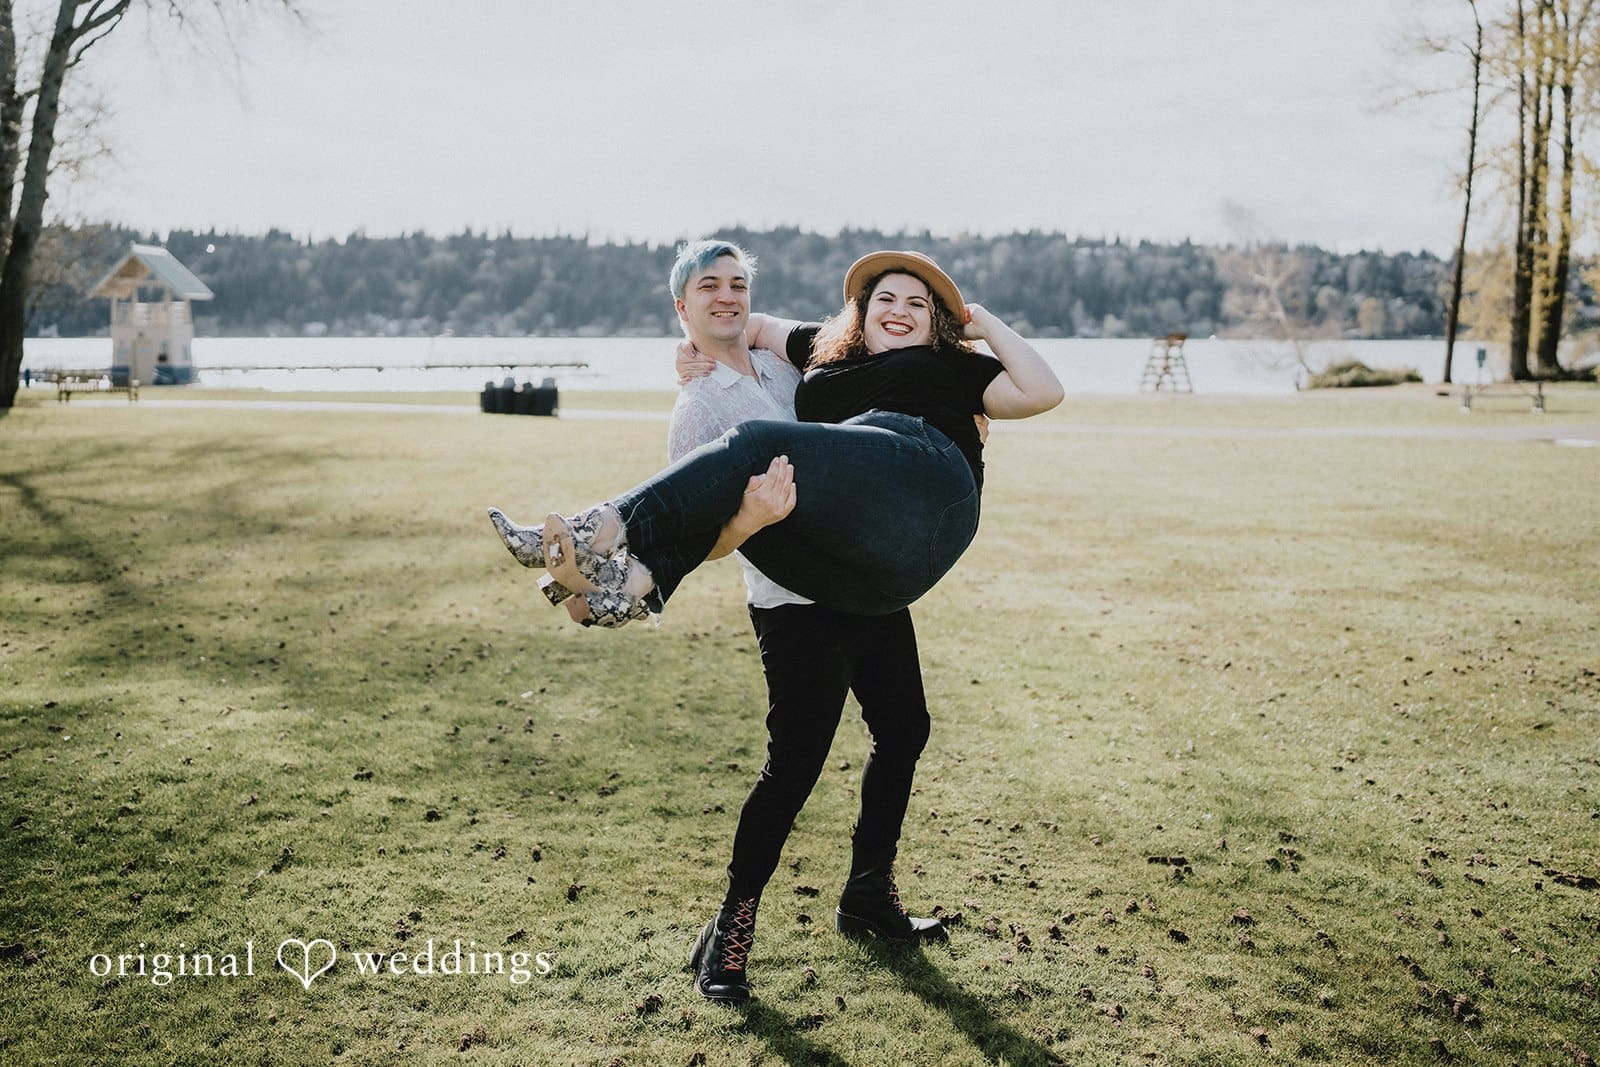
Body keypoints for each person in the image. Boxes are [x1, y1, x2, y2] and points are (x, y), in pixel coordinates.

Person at [630, 239, 952, 1005]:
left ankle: (869, 897)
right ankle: (730, 935)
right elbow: (701, 543)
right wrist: (746, 518)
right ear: (683, 306)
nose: (726, 297)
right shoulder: (697, 407)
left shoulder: (785, 367)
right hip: (792, 606)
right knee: (795, 766)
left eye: (737, 284)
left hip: (866, 582)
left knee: (904, 727)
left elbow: (842, 345)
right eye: (708, 287)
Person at [486, 247, 1063, 629]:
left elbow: (1043, 392)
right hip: (873, 573)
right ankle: (630, 584)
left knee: (759, 443)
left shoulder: (949, 365)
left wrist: (983, 323)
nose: (899, 312)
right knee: (754, 502)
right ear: (859, 312)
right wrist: (691, 347)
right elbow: (751, 328)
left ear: (937, 320)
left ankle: (597, 527)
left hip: (933, 494)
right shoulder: (827, 352)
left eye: (918, 305)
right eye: (885, 299)